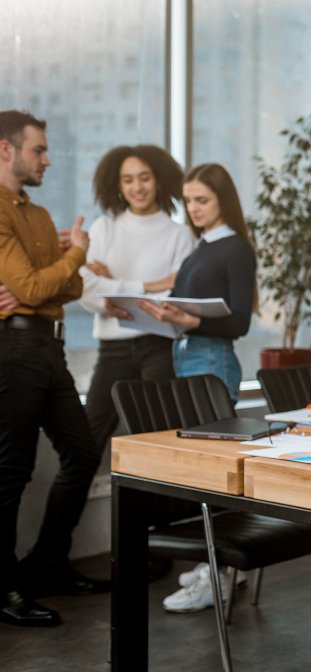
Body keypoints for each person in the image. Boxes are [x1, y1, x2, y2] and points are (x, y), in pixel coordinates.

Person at [0, 110, 109, 628]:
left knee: (83, 452)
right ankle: (3, 589)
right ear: (6, 150)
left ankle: (48, 563)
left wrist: (63, 267)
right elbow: (35, 288)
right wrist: (78, 255)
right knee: (12, 470)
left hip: (48, 346)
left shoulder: (40, 217)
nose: (46, 159)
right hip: (12, 351)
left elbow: (57, 290)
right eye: (38, 150)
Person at [79, 145, 195, 457]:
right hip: (112, 351)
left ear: (158, 180)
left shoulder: (180, 235)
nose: (137, 187)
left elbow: (175, 301)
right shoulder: (104, 228)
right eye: (128, 180)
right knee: (85, 445)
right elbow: (87, 292)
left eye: (144, 178)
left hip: (159, 347)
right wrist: (153, 285)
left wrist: (112, 286)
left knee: (158, 446)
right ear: (117, 185)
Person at [139, 162, 257, 406]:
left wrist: (191, 321)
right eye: (188, 201)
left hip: (212, 359)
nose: (193, 209)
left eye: (202, 201)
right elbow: (178, 300)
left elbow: (240, 323)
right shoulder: (200, 248)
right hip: (182, 354)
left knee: (210, 440)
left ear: (223, 200)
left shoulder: (236, 249)